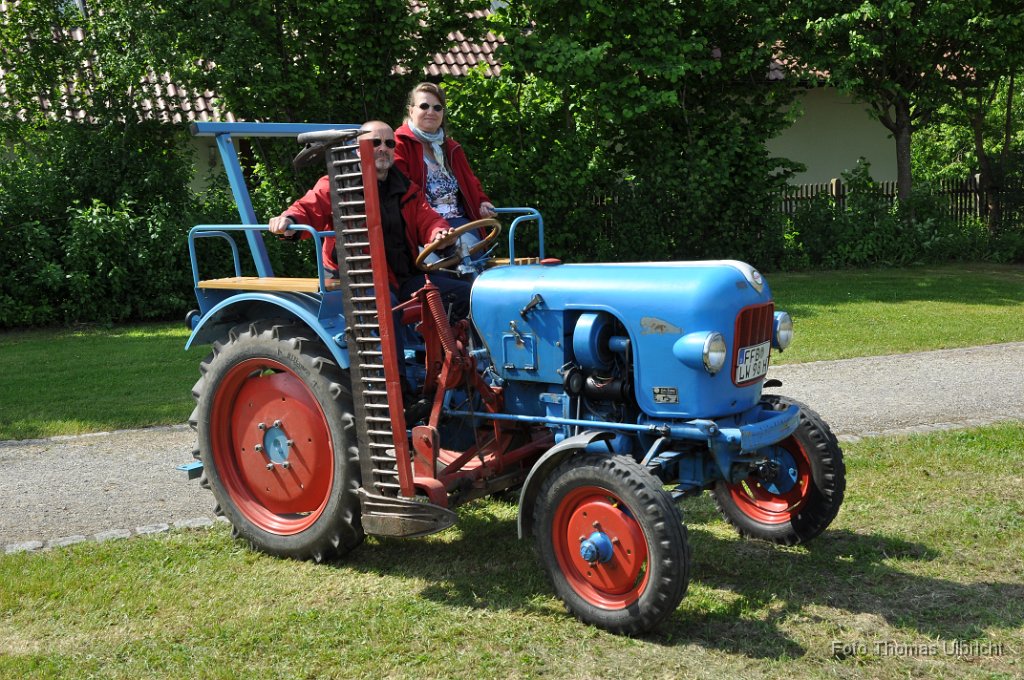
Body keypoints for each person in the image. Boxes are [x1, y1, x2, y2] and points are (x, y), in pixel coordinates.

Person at [268, 120, 470, 320]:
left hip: (402, 278)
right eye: (374, 143)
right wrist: (288, 220)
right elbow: (309, 206)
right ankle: (397, 354)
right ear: (358, 149)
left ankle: (453, 350)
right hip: (358, 281)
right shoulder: (340, 185)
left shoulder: (405, 188)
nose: (383, 148)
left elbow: (428, 219)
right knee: (388, 309)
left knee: (468, 294)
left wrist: (439, 234)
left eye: (389, 143)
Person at [393, 82, 497, 259]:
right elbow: (404, 192)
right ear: (411, 111)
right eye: (424, 106)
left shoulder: (451, 148)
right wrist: (433, 228)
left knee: (470, 256)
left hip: (458, 222)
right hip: (420, 226)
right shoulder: (398, 144)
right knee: (434, 268)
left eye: (437, 107)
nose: (431, 112)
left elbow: (470, 181)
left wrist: (482, 202)